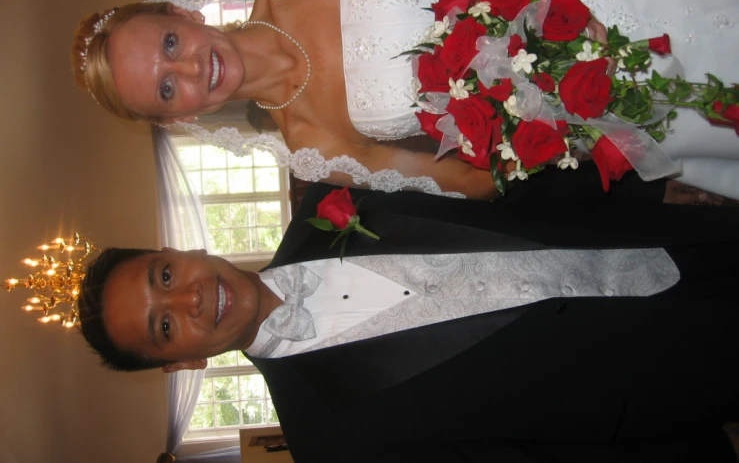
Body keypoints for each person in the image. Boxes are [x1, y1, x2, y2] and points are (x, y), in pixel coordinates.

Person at [79, 164, 739, 462]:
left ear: (182, 249)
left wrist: (644, 186)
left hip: (682, 232)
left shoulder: (336, 191)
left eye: (164, 276)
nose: (188, 299)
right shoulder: (329, 444)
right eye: (165, 325)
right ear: (185, 361)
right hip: (677, 383)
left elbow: (507, 182)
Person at [70, 0, 739, 200]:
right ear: (178, 117)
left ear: (183, 14)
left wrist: (558, 0)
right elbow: (477, 184)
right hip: (594, 105)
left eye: (168, 45)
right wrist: (520, 126)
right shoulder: (312, 147)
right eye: (165, 89)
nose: (189, 69)